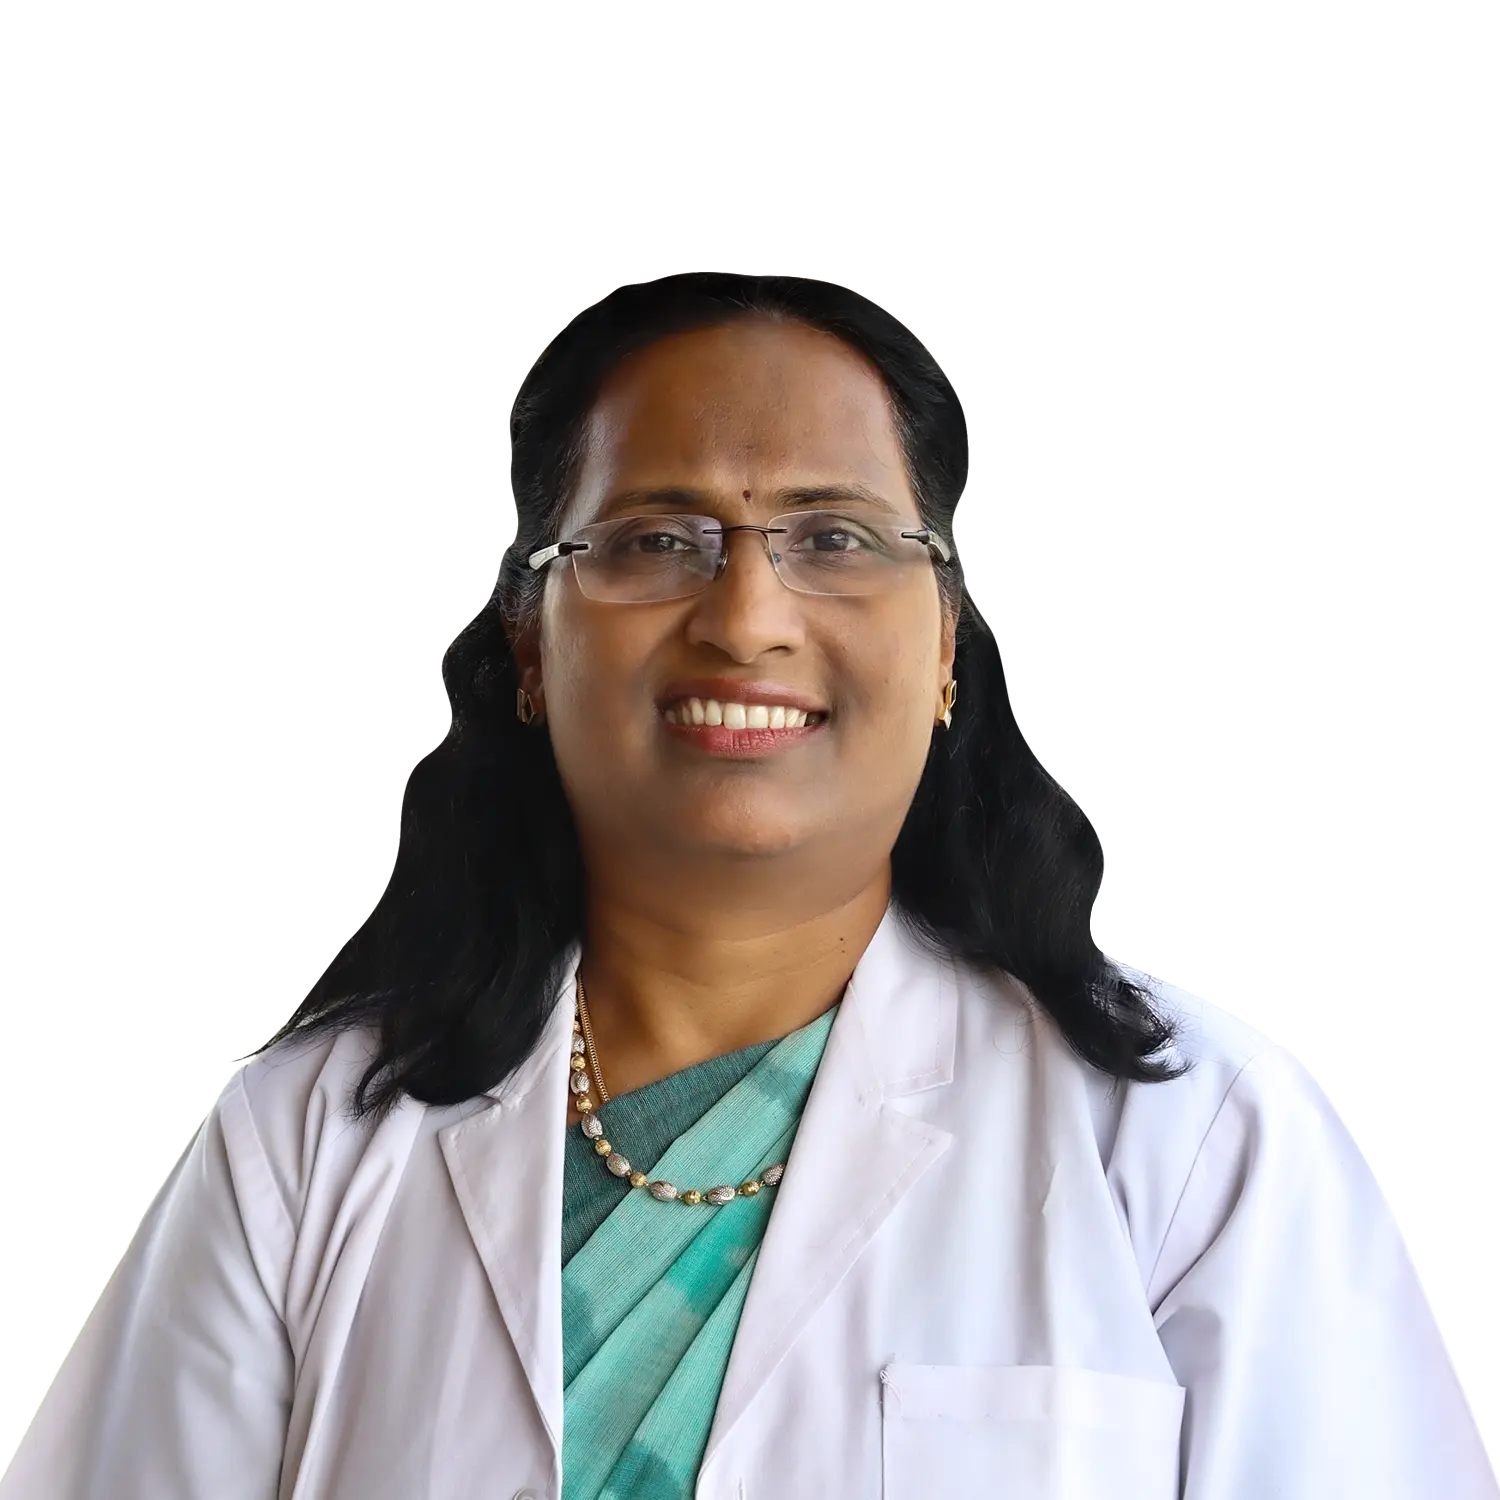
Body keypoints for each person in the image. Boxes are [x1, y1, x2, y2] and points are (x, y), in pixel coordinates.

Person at [2, 273, 1493, 1500]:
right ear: (531, 645)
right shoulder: (308, 1144)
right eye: (661, 540)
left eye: (832, 539)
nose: (747, 615)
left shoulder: (1184, 1141)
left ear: (945, 643)